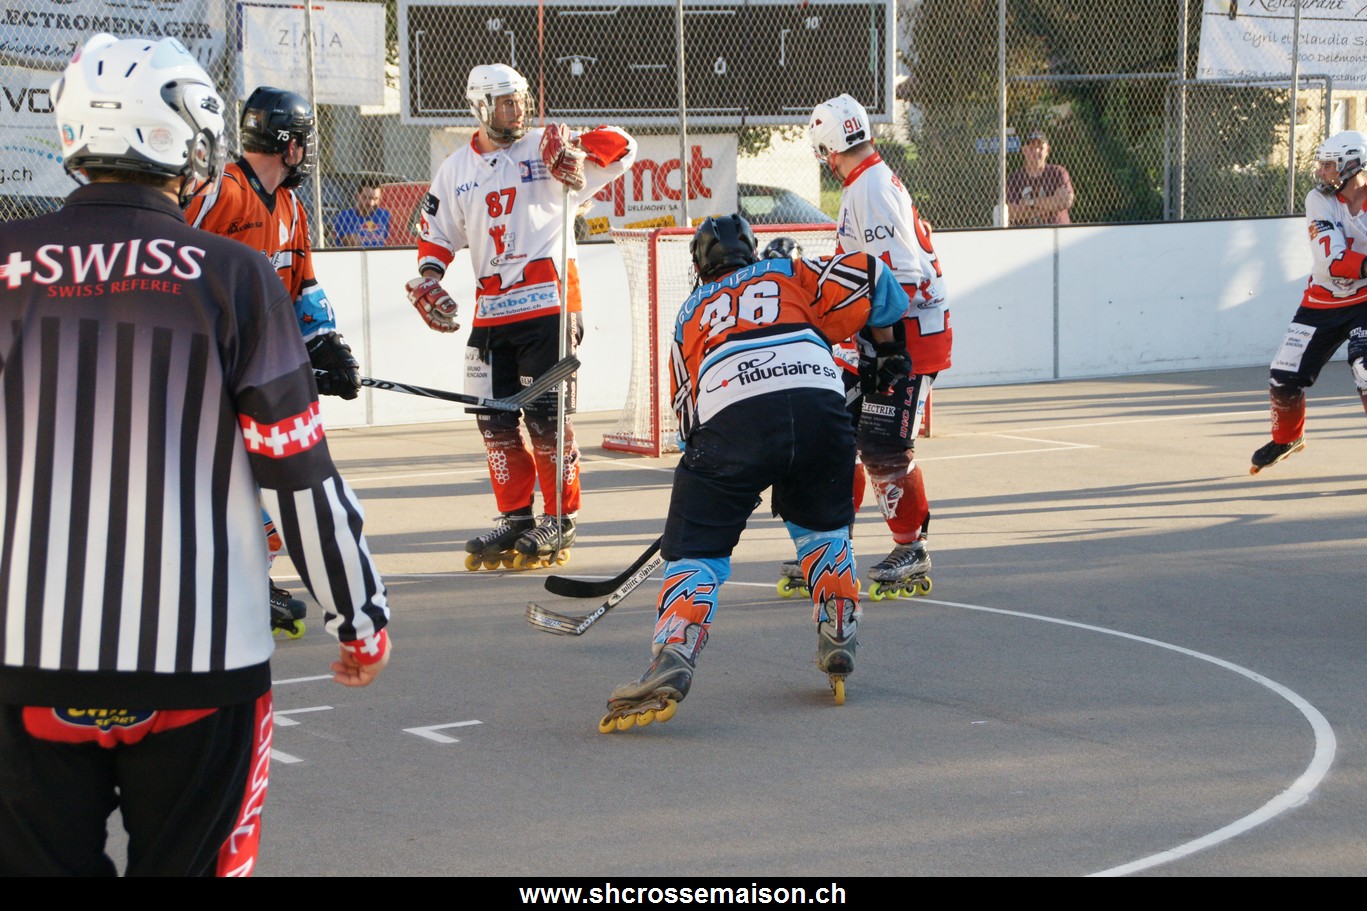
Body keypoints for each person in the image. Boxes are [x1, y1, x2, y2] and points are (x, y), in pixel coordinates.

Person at [0, 33, 392, 877]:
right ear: (185, 138)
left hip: (24, 661)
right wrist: (358, 616)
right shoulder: (234, 276)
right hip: (202, 662)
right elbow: (298, 474)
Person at [598, 214, 911, 733]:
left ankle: (675, 649)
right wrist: (889, 350)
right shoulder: (788, 271)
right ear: (751, 251)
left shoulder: (689, 313)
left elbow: (687, 415)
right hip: (819, 407)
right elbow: (873, 275)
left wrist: (702, 485)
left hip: (733, 419)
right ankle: (838, 624)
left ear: (699, 266)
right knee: (823, 528)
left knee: (697, 549)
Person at [408, 63, 636, 569]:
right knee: (493, 420)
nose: (518, 111)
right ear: (481, 107)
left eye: (521, 100)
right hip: (491, 312)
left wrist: (578, 149)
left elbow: (626, 147)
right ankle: (516, 518)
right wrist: (429, 276)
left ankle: (560, 518)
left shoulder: (544, 145)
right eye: (506, 102)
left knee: (548, 419)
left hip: (550, 305)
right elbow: (436, 232)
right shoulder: (455, 170)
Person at [184, 85, 363, 632]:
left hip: (254, 371)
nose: (305, 151)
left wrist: (325, 345)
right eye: (303, 140)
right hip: (205, 368)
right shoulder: (219, 192)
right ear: (288, 144)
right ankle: (230, 581)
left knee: (276, 478)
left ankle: (245, 578)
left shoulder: (290, 206)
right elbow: (164, 257)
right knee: (229, 477)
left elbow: (303, 284)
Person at [807, 93, 951, 598]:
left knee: (883, 445)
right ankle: (831, 547)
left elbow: (900, 279)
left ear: (828, 149)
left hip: (905, 338)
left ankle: (911, 548)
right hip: (879, 334)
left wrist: (884, 350)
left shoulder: (869, 187)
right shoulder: (866, 182)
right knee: (837, 434)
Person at [1251, 129, 1367, 474]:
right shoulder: (1318, 199)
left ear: (1353, 165)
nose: (1321, 171)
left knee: (1364, 366)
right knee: (1283, 376)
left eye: (1329, 165)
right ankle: (1288, 438)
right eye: (1322, 164)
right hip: (1322, 299)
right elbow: (1331, 261)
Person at [1005, 129, 1075, 226]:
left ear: (1047, 150)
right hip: (1028, 233)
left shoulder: (1058, 172)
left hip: (1058, 230)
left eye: (1040, 147)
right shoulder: (1014, 179)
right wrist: (1052, 203)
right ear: (1024, 150)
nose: (1036, 151)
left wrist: (1031, 202)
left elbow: (1066, 200)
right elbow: (1012, 213)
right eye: (1031, 147)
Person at [332, 179, 392, 247]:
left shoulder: (384, 215)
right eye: (366, 197)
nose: (371, 203)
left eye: (375, 199)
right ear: (357, 196)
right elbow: (354, 244)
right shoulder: (345, 217)